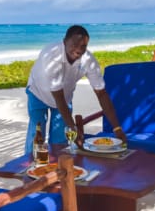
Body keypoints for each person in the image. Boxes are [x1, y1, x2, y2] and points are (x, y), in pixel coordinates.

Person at [24, 25, 127, 155]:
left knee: (61, 141)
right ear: (64, 41)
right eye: (74, 44)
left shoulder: (89, 61)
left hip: (64, 98)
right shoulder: (52, 56)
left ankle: (57, 169)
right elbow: (58, 97)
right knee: (37, 137)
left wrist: (117, 129)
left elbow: (101, 93)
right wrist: (73, 128)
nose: (79, 49)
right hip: (38, 93)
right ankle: (27, 168)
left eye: (83, 46)